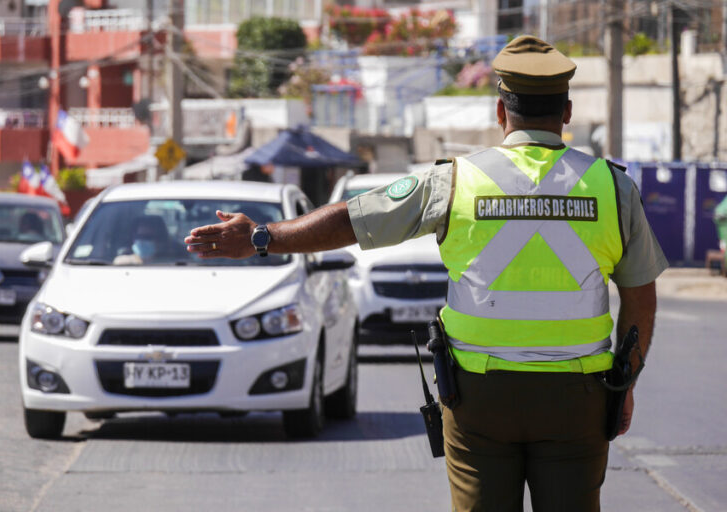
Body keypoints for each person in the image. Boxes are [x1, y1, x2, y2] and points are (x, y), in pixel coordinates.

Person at [184, 35, 667, 512]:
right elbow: (640, 300)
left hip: (479, 398)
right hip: (577, 399)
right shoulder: (613, 187)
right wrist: (625, 384)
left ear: (500, 112)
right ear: (566, 112)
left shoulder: (455, 179)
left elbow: (354, 218)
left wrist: (262, 237)